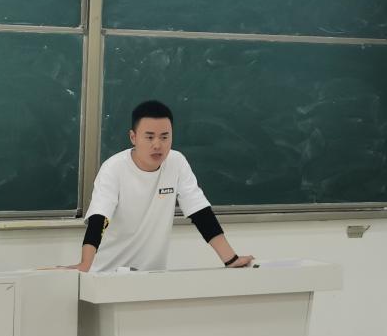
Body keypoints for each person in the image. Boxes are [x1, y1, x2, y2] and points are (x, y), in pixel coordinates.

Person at [65, 99, 253, 272]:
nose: (157, 145)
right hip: (107, 274)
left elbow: (200, 212)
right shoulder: (114, 168)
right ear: (133, 137)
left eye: (164, 137)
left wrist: (231, 259)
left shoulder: (176, 162)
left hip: (153, 276)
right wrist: (85, 264)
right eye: (149, 137)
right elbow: (100, 218)